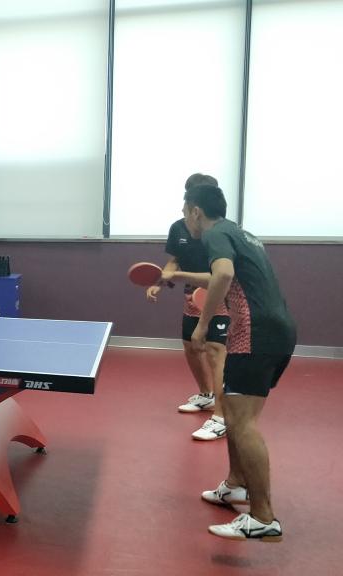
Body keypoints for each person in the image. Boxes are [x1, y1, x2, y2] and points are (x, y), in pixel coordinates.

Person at [183, 183, 295, 542]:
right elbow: (225, 274)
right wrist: (178, 276)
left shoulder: (214, 234)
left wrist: (202, 326)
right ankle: (235, 485)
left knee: (243, 422)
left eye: (186, 212)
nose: (186, 219)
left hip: (254, 333)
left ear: (196, 211)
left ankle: (263, 517)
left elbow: (224, 275)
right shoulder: (241, 234)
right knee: (233, 411)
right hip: (276, 329)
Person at [147, 173, 231, 441]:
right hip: (190, 298)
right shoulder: (178, 228)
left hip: (220, 297)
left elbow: (223, 274)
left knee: (216, 352)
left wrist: (177, 276)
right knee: (191, 347)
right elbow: (174, 260)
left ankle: (221, 417)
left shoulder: (222, 231)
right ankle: (207, 395)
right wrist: (160, 282)